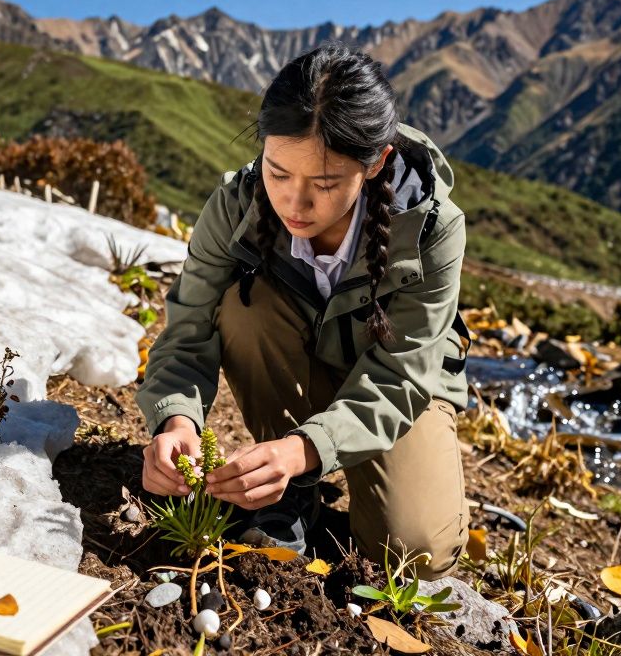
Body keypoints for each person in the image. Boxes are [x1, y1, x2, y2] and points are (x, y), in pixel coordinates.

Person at [135, 42, 471, 579]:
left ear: (376, 162)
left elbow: (403, 374)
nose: (294, 203)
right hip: (293, 358)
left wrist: (306, 448)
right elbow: (188, 327)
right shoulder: (237, 205)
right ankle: (287, 498)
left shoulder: (429, 227)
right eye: (278, 173)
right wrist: (176, 420)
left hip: (396, 388)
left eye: (325, 183)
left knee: (414, 553)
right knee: (243, 306)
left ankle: (299, 470)